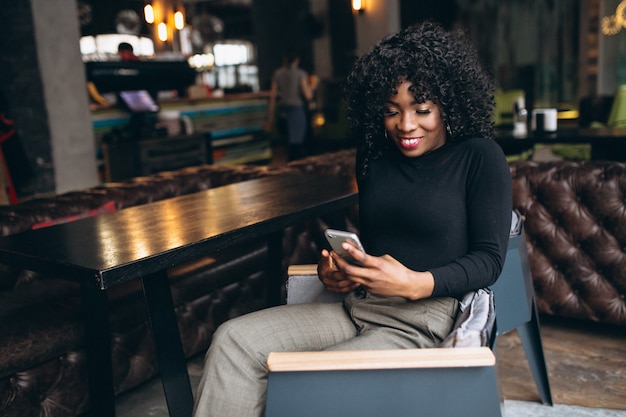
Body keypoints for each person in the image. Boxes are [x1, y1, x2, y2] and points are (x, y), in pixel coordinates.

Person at [194, 20, 512, 417]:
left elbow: (489, 260)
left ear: (450, 102)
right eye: (391, 111)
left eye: (422, 109)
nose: (406, 125)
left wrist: (415, 283)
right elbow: (379, 244)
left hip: (423, 321)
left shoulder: (480, 158)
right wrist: (341, 270)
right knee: (232, 341)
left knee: (314, 383)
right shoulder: (374, 158)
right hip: (357, 306)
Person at [265, 49, 315, 161]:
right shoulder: (301, 74)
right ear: (297, 60)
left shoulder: (277, 74)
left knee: (287, 143)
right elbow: (308, 96)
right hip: (296, 110)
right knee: (296, 145)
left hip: (282, 110)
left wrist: (270, 116)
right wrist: (313, 87)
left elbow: (272, 96)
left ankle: (290, 169)